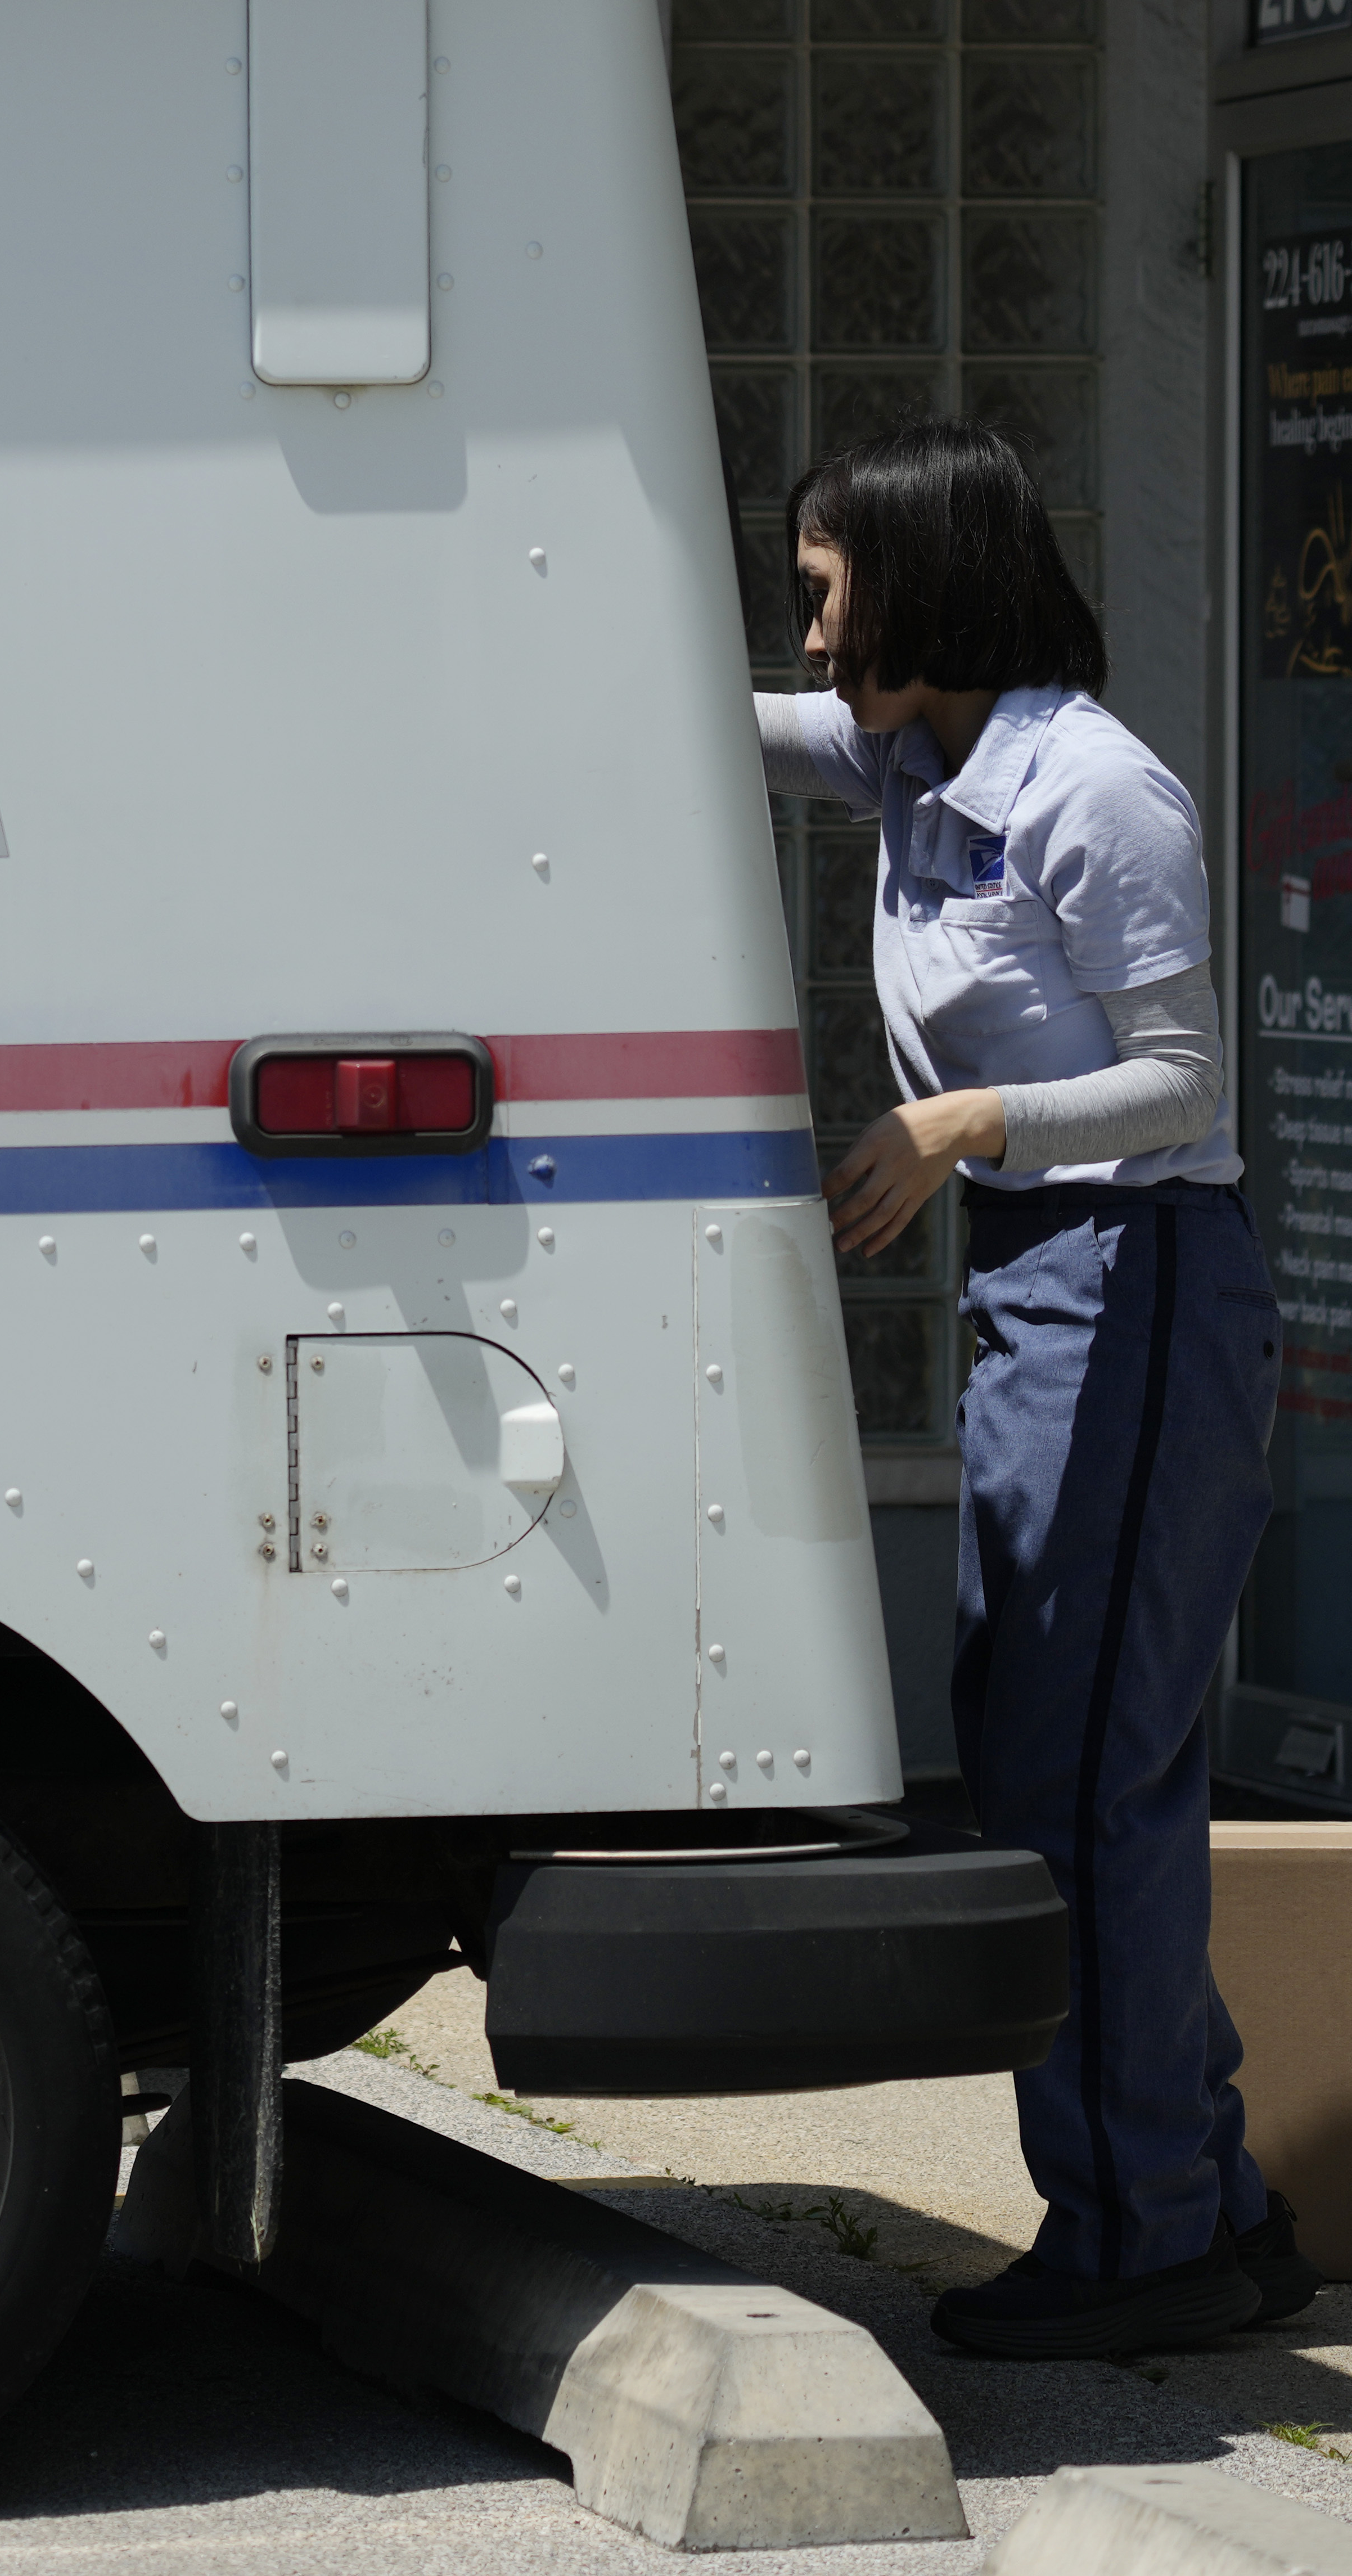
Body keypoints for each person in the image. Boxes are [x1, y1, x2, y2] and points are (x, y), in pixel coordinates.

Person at [759, 418, 1318, 2358]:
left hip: (1140, 1274)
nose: (809, 633)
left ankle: (1142, 2234)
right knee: (1064, 1759)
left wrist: (966, 1119)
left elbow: (1182, 1084)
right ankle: (1209, 2205)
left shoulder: (1094, 791)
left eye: (827, 591)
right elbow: (703, 717)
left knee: (1081, 1781)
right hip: (1044, 1281)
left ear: (916, 588)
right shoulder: (909, 754)